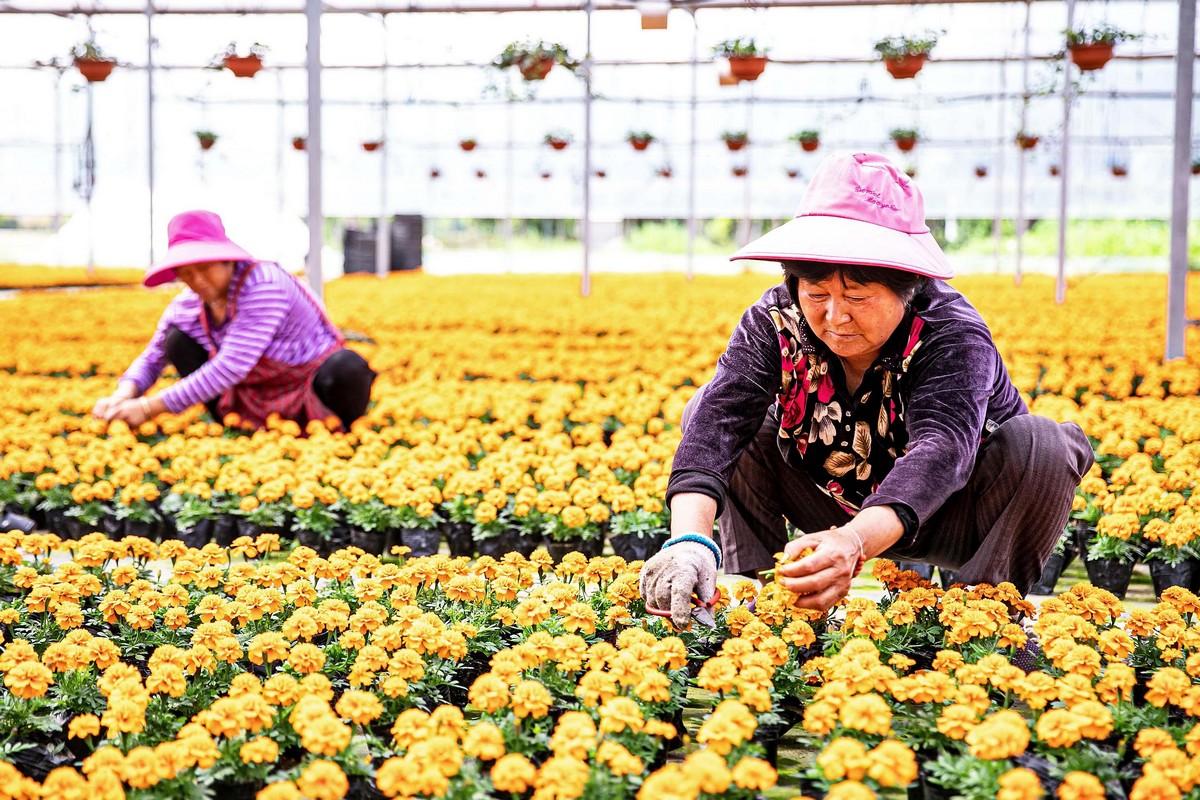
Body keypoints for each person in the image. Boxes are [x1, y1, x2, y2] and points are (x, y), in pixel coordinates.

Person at [639, 152, 1093, 627]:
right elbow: (718, 421)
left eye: (856, 296)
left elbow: (941, 450)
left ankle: (979, 620)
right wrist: (689, 542)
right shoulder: (775, 319)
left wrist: (855, 542)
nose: (835, 316)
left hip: (956, 511)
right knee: (709, 409)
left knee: (1045, 443)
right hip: (833, 498)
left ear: (908, 287)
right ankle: (769, 604)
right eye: (816, 294)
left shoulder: (951, 332)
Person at [92, 209, 376, 432]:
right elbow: (153, 356)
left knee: (348, 367)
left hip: (305, 384)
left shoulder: (264, 284)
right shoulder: (189, 303)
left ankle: (336, 428)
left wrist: (147, 408)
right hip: (249, 393)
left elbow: (231, 366)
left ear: (228, 260)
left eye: (204, 268)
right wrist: (122, 396)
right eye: (186, 274)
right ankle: (232, 423)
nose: (197, 281)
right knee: (176, 340)